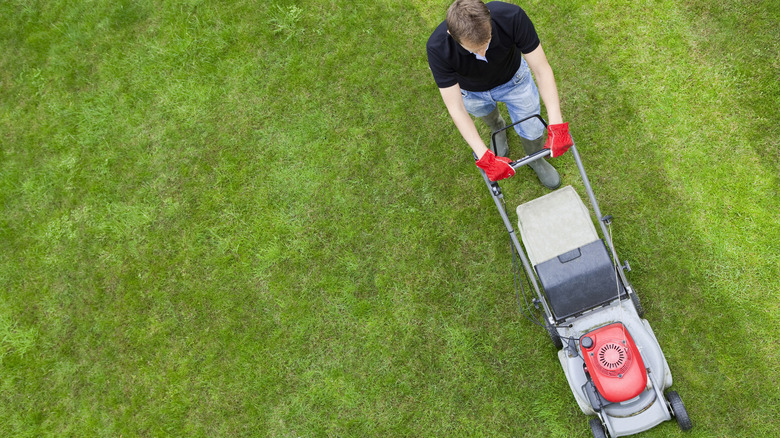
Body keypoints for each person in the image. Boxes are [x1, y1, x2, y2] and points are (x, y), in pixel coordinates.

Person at [426, 0, 574, 187]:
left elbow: (542, 69)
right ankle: (498, 128)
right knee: (485, 114)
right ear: (451, 35)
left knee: (533, 127)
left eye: (487, 41)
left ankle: (535, 159)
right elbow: (456, 108)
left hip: (515, 81)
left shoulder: (512, 17)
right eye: (473, 50)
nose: (483, 52)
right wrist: (484, 156)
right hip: (472, 92)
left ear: (490, 17)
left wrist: (556, 122)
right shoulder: (437, 48)